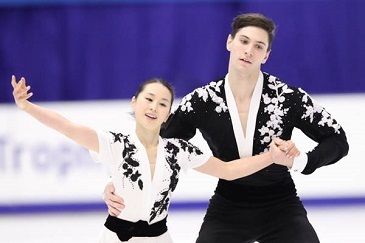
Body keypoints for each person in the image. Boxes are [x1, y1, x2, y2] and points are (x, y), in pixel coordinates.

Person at [104, 13, 349, 242]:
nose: (249, 51)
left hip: (281, 204)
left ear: (266, 56)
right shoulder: (201, 101)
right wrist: (116, 183)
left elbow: (337, 139)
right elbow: (157, 145)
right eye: (244, 41)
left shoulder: (288, 98)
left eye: (258, 46)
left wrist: (301, 161)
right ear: (229, 42)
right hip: (228, 205)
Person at [11, 75, 297, 243]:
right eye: (148, 99)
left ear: (168, 115)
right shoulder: (115, 143)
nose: (154, 107)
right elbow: (66, 126)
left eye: (163, 103)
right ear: (134, 103)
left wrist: (270, 156)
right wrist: (26, 106)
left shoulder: (178, 150)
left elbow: (228, 170)